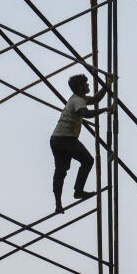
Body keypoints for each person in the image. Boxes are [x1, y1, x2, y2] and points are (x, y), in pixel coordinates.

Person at [50, 74, 111, 213]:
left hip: (56, 139)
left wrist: (108, 84)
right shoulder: (77, 101)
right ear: (79, 87)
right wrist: (105, 110)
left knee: (61, 171)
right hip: (66, 139)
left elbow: (95, 99)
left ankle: (58, 204)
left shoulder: (77, 99)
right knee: (88, 161)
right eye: (86, 84)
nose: (88, 86)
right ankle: (78, 191)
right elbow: (87, 113)